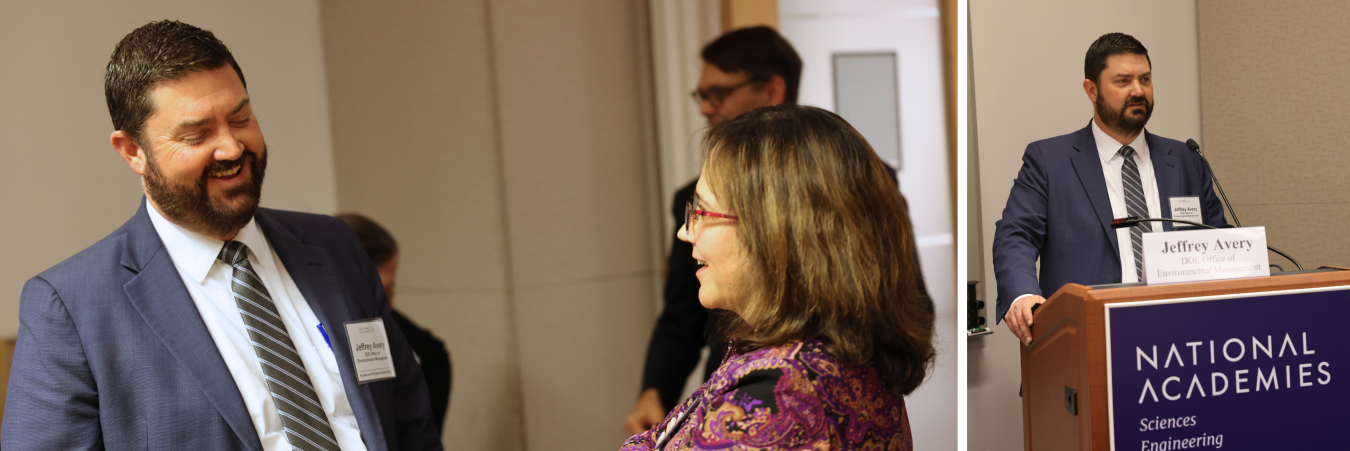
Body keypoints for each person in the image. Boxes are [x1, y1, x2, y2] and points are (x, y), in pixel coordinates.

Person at [1, 21, 441, 450]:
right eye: (196, 135)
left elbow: (408, 418)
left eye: (241, 117)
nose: (231, 148)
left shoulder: (333, 245)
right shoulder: (72, 307)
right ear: (133, 151)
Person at [620, 105, 935, 450]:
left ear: (775, 233)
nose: (685, 231)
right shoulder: (842, 347)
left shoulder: (778, 400)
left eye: (702, 212)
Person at [624, 26, 804, 434]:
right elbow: (681, 314)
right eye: (701, 95)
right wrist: (655, 388)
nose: (705, 108)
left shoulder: (785, 388)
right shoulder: (752, 368)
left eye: (717, 93)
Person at [993, 32, 1227, 345]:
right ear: (1092, 89)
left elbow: (1217, 243)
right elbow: (1015, 234)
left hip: (1181, 340)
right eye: (1123, 81)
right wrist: (1022, 294)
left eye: (1145, 79)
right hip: (1087, 341)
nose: (1138, 90)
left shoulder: (1186, 159)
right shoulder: (1050, 161)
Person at [337, 213, 453, 434]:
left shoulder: (382, 323)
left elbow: (435, 354)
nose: (390, 304)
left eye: (392, 291)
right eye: (384, 291)